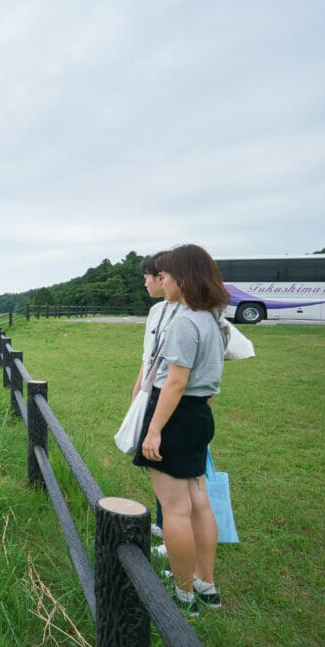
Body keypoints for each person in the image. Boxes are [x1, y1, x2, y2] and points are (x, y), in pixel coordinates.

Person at [133, 244, 228, 616]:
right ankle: (206, 584)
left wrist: (154, 430)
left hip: (174, 415)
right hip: (199, 414)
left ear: (183, 279)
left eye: (167, 276)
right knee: (198, 502)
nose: (163, 281)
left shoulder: (185, 321)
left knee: (174, 509)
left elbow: (174, 383)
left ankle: (184, 594)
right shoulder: (214, 320)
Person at [133, 252, 177, 547]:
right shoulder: (156, 311)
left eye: (147, 278)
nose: (146, 283)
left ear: (162, 277)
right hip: (152, 394)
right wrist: (137, 393)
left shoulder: (188, 316)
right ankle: (163, 525)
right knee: (157, 464)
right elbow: (146, 358)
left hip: (171, 399)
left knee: (170, 465)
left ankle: (172, 532)